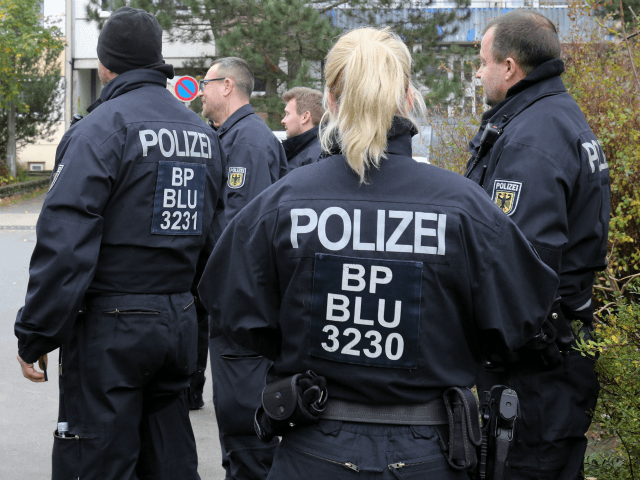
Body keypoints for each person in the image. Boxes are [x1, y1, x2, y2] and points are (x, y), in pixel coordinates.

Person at [198, 27, 559, 480]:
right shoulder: (462, 207)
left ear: (330, 101)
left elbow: (233, 308)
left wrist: (303, 337)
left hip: (313, 447)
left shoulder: (284, 202)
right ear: (408, 97)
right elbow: (522, 315)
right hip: (429, 453)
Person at [14, 7, 226, 479]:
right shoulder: (201, 134)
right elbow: (213, 237)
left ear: (105, 64)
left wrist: (37, 332)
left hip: (113, 327)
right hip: (178, 321)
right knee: (167, 456)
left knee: (97, 460)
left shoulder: (98, 130)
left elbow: (66, 243)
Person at [466, 11, 610, 479]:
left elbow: (518, 269)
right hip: (553, 367)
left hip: (533, 376)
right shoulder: (555, 116)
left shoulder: (532, 137)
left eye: (482, 61)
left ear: (509, 67)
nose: (477, 72)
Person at [196, 56, 287, 480]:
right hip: (235, 306)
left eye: (206, 83)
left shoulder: (247, 143)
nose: (201, 91)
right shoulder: (234, 136)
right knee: (236, 418)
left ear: (227, 85)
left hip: (242, 307)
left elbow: (241, 232)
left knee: (244, 419)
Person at [281, 87, 324, 171]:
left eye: (287, 114)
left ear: (305, 117)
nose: (283, 121)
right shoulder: (306, 152)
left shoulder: (315, 158)